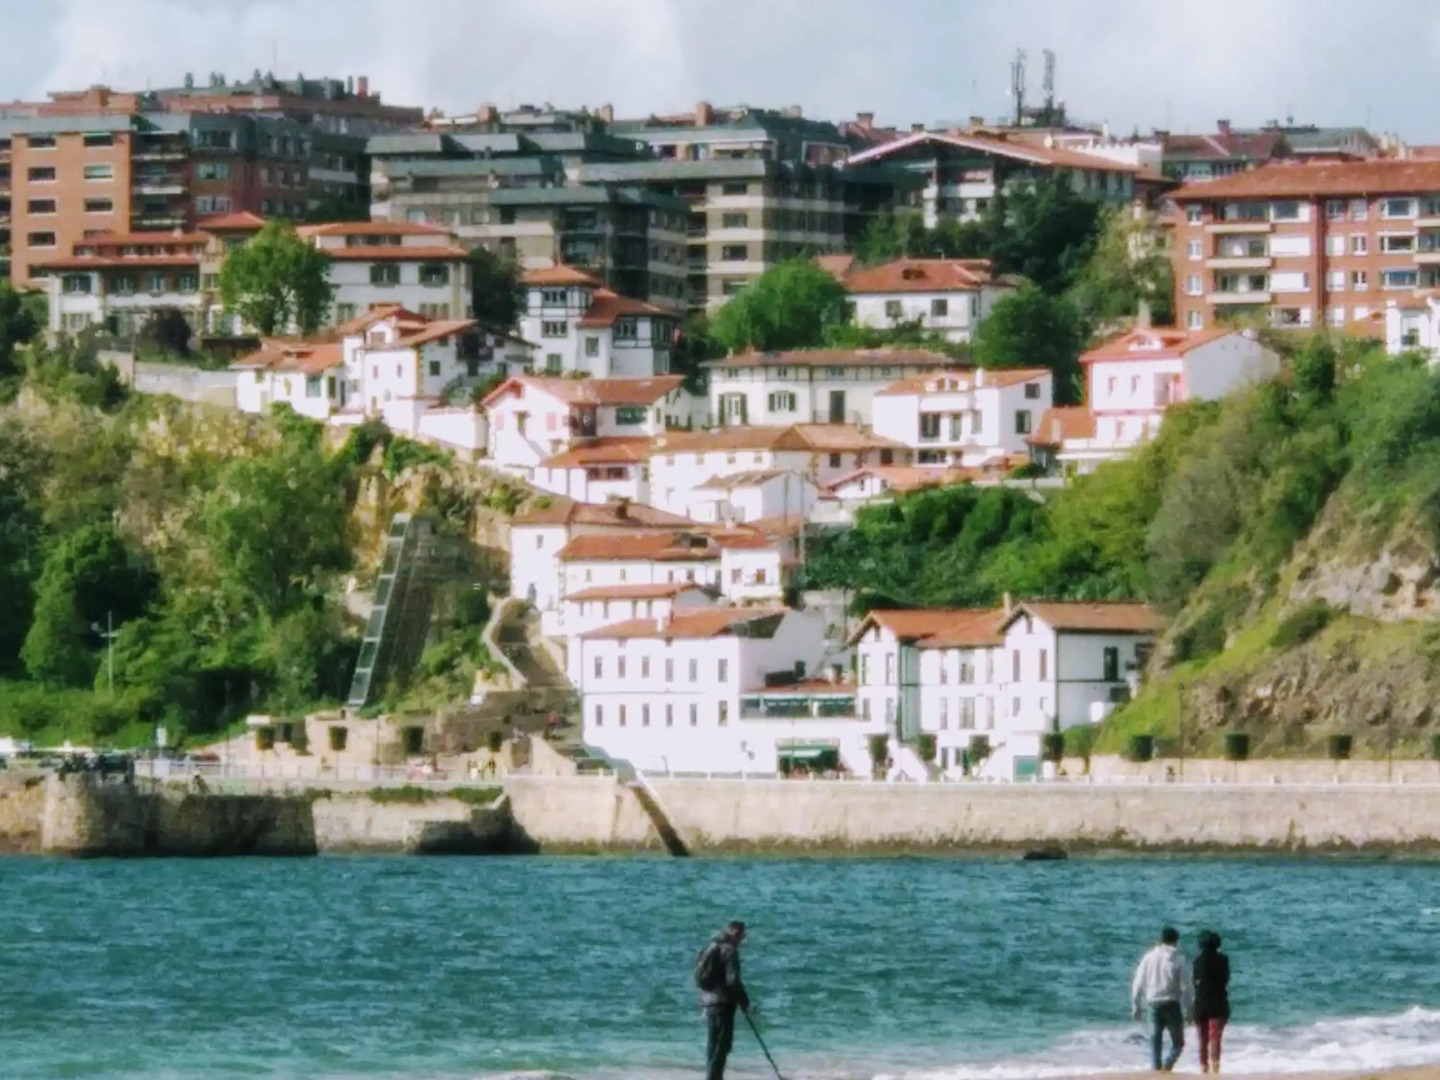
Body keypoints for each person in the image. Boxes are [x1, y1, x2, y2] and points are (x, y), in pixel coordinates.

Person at [1131, 926, 1193, 1072]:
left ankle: (1157, 1073)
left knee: (1155, 1044)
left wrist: (1136, 1006)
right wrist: (1189, 1009)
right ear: (1175, 942)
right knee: (1178, 1044)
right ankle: (1166, 1068)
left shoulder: (1148, 957)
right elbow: (1186, 986)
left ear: (1160, 940)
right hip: (1172, 1003)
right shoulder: (1178, 959)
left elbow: (1138, 983)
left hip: (1153, 1003)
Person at [695, 920, 750, 1080]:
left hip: (709, 1000)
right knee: (722, 1046)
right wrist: (745, 1002)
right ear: (737, 934)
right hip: (723, 1003)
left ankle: (711, 1076)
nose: (742, 940)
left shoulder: (712, 946)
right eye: (742, 935)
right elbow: (733, 981)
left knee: (713, 1045)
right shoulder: (730, 951)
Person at [1193, 931, 1231, 1074]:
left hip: (1201, 1002)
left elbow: (1195, 981)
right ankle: (1215, 1068)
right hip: (1218, 1002)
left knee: (1202, 1038)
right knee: (1215, 1036)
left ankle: (1203, 1068)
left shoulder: (1197, 961)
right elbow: (1226, 979)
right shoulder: (1223, 960)